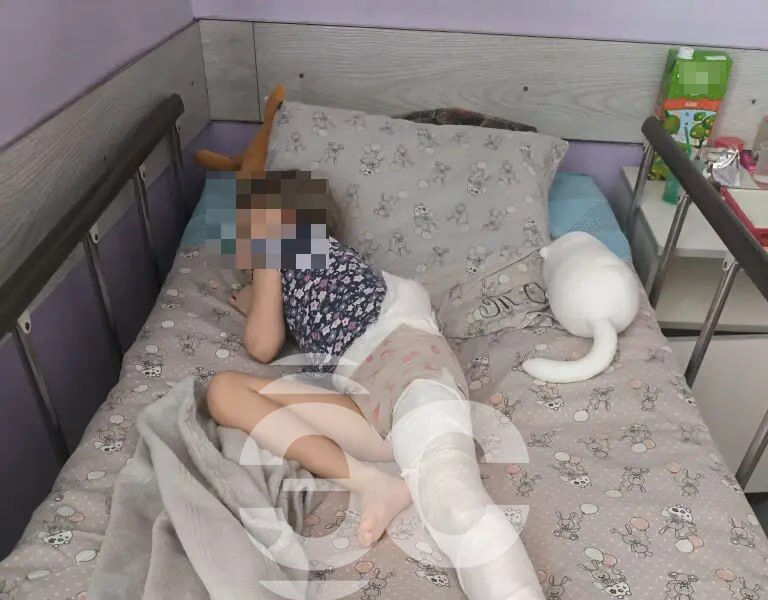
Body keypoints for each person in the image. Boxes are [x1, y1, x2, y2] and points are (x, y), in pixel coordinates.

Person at [206, 185, 544, 600]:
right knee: (223, 391)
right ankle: (372, 483)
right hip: (367, 401)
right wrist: (259, 297)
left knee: (450, 487)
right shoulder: (302, 271)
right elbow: (281, 318)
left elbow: (261, 344)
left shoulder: (289, 246)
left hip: (402, 361)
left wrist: (263, 272)